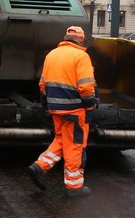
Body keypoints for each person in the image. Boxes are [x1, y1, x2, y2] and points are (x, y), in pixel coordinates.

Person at [27, 25, 98, 197]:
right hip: (75, 109)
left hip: (55, 108)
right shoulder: (81, 56)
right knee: (75, 145)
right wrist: (90, 104)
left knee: (61, 139)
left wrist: (46, 105)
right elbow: (87, 85)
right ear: (81, 39)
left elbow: (42, 84)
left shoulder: (52, 55)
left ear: (66, 38)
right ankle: (74, 187)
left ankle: (39, 166)